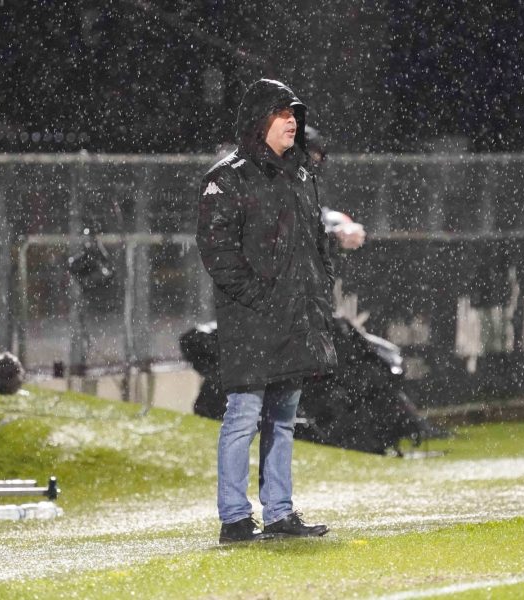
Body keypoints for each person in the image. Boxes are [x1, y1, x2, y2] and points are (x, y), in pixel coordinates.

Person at [196, 78, 337, 543]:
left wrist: (318, 290)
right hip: (252, 323)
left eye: (294, 112)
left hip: (294, 319)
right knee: (243, 418)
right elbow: (218, 255)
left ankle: (280, 515)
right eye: (281, 113)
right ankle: (234, 519)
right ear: (260, 122)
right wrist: (264, 299)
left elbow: (315, 244)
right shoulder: (225, 178)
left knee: (282, 420)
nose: (292, 121)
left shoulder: (300, 175)